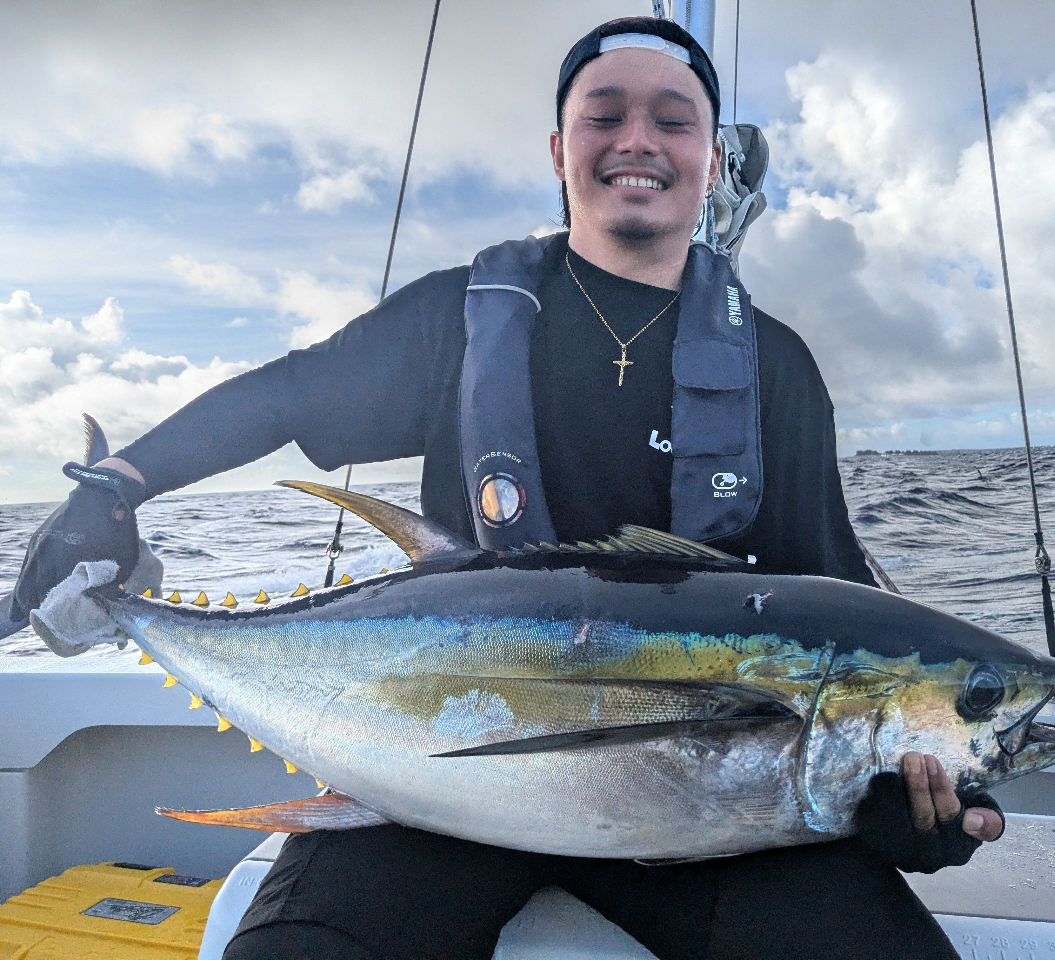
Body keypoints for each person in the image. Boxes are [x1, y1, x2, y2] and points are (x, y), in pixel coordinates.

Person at [10, 18, 1003, 960]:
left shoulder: (771, 364)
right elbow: (286, 395)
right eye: (603, 114)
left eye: (672, 119)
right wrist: (117, 482)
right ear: (557, 147)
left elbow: (839, 615)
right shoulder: (459, 318)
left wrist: (899, 803)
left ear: (711, 154)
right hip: (431, 774)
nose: (636, 140)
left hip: (702, 818)